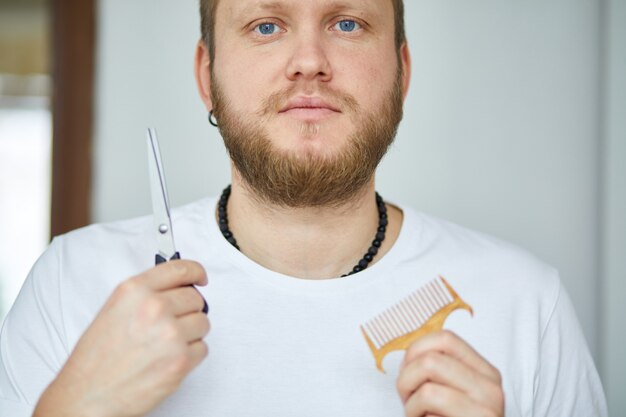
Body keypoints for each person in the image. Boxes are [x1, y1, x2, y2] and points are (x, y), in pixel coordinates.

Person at [0, 0, 607, 416]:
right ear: (207, 76)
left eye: (346, 23)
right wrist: (78, 405)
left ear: (401, 71)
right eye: (267, 24)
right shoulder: (71, 283)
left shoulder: (528, 305)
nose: (310, 60)